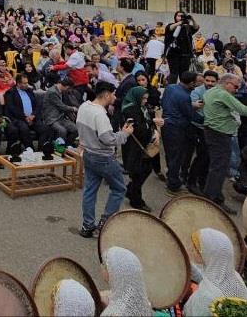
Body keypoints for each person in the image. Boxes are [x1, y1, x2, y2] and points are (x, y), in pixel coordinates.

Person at [202, 72, 247, 213]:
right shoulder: (223, 94)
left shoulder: (210, 92)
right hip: (220, 135)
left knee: (216, 167)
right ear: (227, 83)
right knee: (219, 168)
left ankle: (212, 196)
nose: (237, 90)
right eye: (235, 87)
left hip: (212, 131)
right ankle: (213, 199)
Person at [76, 81, 134, 238]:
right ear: (107, 95)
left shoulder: (84, 107)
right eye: (113, 94)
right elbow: (107, 139)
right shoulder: (100, 114)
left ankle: (87, 225)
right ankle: (106, 222)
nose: (115, 97)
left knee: (89, 191)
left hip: (88, 154)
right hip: (103, 157)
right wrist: (125, 134)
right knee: (119, 188)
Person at [183, 228, 247, 317]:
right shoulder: (235, 278)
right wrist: (187, 264)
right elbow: (208, 279)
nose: (191, 249)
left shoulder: (206, 297)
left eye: (196, 248)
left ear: (208, 254)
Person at [119, 84, 161, 211]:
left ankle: (131, 191)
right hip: (134, 146)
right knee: (138, 172)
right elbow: (138, 129)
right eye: (143, 98)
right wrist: (152, 124)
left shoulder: (141, 107)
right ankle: (136, 200)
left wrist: (153, 127)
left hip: (141, 145)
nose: (145, 101)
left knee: (144, 170)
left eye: (146, 98)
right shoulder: (130, 109)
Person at [161, 71, 199, 195]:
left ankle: (171, 177)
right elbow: (189, 114)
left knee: (170, 154)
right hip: (177, 128)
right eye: (195, 83)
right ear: (191, 83)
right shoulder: (185, 96)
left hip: (166, 124)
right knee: (176, 158)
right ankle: (173, 186)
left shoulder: (170, 87)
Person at [100, 246, 154, 316]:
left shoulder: (112, 314)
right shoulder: (142, 300)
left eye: (104, 264)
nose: (101, 266)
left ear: (113, 272)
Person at [3, 72, 45, 149]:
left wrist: (33, 115)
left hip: (32, 118)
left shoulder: (29, 91)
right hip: (19, 119)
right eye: (25, 83)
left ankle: (41, 150)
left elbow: (37, 105)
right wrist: (25, 117)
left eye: (27, 82)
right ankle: (30, 149)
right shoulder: (10, 93)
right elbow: (12, 109)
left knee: (44, 129)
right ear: (18, 84)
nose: (27, 85)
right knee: (24, 129)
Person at [40, 76, 79, 144]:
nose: (68, 90)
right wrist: (73, 109)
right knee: (62, 131)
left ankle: (66, 145)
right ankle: (58, 147)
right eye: (68, 88)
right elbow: (61, 106)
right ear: (66, 86)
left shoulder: (60, 91)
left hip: (60, 117)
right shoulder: (52, 92)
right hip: (51, 119)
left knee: (75, 129)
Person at [165, 12, 199, 81]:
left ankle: (183, 87)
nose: (181, 17)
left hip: (186, 54)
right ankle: (172, 87)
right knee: (174, 73)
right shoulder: (172, 25)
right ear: (175, 17)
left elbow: (196, 27)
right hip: (173, 54)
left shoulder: (187, 27)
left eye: (182, 16)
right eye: (179, 16)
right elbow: (170, 28)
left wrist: (192, 19)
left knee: (184, 74)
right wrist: (180, 22)